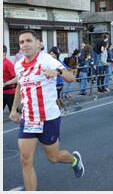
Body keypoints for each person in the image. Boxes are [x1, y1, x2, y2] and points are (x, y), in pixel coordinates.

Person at [9, 30, 84, 191]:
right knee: (25, 160)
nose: (25, 44)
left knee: (53, 157)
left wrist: (57, 72)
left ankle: (74, 160)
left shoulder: (47, 60)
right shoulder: (18, 65)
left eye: (28, 40)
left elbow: (71, 77)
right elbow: (20, 86)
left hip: (48, 118)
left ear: (38, 43)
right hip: (28, 119)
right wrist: (14, 108)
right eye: (21, 42)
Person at [49, 46, 65, 114]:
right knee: (58, 97)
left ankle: (61, 110)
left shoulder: (58, 63)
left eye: (53, 54)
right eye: (50, 53)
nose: (51, 55)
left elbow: (64, 72)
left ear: (56, 55)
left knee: (56, 98)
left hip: (58, 83)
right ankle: (63, 109)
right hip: (55, 83)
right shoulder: (51, 62)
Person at [3, 45, 18, 112]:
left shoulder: (8, 63)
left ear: (4, 53)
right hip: (3, 92)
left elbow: (16, 78)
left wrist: (5, 83)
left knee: (14, 113)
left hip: (10, 93)